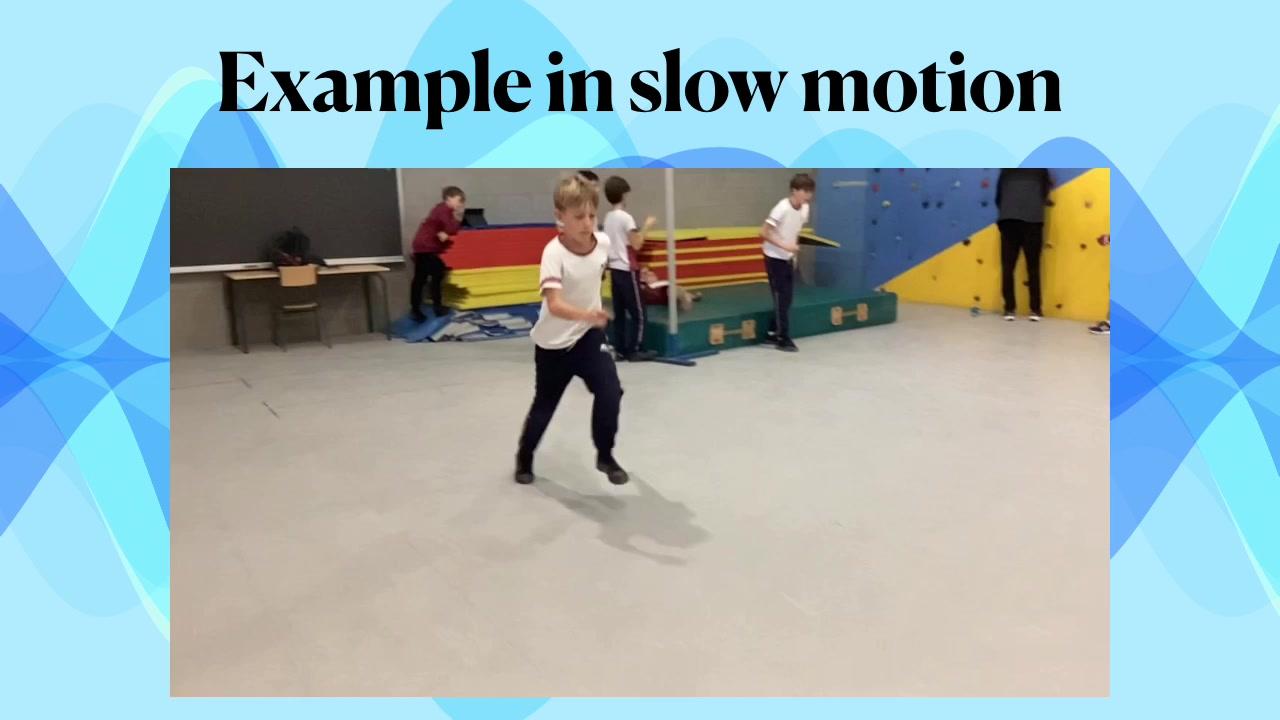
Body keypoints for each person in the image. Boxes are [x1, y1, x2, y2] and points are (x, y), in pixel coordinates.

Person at [515, 176, 629, 486]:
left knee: (610, 391)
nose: (587, 223)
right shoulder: (553, 253)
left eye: (592, 215)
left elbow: (597, 272)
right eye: (578, 217)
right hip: (553, 345)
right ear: (560, 217)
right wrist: (589, 314)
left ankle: (605, 455)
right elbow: (554, 304)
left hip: (588, 337)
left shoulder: (602, 243)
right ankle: (524, 457)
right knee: (545, 405)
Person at [603, 175, 657, 361]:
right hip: (627, 269)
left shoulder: (608, 218)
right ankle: (636, 349)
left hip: (615, 269)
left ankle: (620, 349)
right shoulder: (626, 218)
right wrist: (647, 226)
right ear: (624, 195)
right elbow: (637, 244)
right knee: (639, 313)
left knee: (619, 313)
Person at [760, 173, 815, 352]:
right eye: (804, 191)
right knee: (781, 297)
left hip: (788, 257)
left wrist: (793, 251)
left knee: (786, 298)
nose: (808, 195)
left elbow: (795, 231)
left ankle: (771, 333)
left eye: (810, 191)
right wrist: (785, 246)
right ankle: (783, 338)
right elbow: (764, 232)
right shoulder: (781, 208)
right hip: (774, 256)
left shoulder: (805, 209)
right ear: (794, 191)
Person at [995, 168, 1053, 322]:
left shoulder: (1006, 169)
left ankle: (1009, 309)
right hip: (1032, 220)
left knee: (1008, 267)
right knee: (1033, 267)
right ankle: (1035, 310)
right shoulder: (1040, 169)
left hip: (1008, 219)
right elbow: (1044, 194)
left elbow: (998, 197)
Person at [410, 186, 465, 322]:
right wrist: (457, 218)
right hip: (426, 248)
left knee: (422, 278)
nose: (460, 204)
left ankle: (419, 309)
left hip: (424, 247)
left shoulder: (443, 210)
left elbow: (449, 230)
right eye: (458, 200)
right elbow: (450, 228)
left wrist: (448, 229)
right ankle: (435, 307)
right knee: (436, 274)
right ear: (449, 198)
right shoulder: (442, 210)